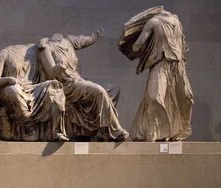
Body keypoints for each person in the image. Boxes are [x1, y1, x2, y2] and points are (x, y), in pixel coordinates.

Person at [38, 29, 130, 141]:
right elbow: (51, 72)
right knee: (99, 91)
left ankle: (101, 130)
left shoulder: (68, 41)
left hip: (78, 80)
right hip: (66, 86)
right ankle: (114, 130)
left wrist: (94, 37)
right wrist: (60, 66)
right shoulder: (46, 47)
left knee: (113, 89)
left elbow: (83, 41)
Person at [127, 8, 193, 141]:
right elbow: (139, 44)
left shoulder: (175, 21)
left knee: (185, 97)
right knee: (155, 97)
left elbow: (137, 45)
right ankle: (153, 132)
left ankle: (174, 131)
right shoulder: (154, 22)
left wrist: (132, 48)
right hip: (160, 63)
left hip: (178, 66)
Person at [0, 43, 68, 141]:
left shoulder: (40, 50)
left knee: (54, 86)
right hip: (12, 88)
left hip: (34, 89)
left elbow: (51, 73)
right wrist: (8, 80)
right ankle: (28, 126)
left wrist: (59, 66)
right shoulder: (4, 53)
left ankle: (56, 131)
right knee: (14, 91)